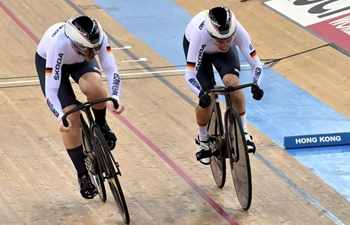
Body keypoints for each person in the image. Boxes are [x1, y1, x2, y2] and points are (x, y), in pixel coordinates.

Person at [35, 15, 124, 199]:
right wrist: (61, 117)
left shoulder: (96, 38)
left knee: (95, 88)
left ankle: (101, 125)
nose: (92, 55)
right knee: (71, 117)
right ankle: (83, 175)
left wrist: (115, 97)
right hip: (51, 62)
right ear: (74, 43)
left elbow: (111, 69)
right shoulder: (57, 44)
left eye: (95, 49)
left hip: (77, 62)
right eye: (87, 50)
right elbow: (52, 90)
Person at [182, 6, 264, 165]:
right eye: (220, 40)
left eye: (229, 40)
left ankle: (244, 132)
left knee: (233, 84)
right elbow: (190, 75)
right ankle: (203, 139)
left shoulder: (238, 31)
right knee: (209, 97)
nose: (225, 44)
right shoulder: (199, 36)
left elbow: (257, 65)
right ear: (212, 35)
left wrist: (256, 84)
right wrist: (201, 94)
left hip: (220, 54)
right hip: (200, 50)